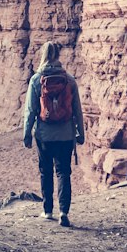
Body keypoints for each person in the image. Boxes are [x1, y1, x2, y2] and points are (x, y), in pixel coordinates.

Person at [22, 41, 85, 227]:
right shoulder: (69, 80)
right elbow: (77, 110)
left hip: (44, 135)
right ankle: (64, 211)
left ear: (43, 54)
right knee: (64, 173)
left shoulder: (36, 80)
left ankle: (48, 211)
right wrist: (81, 133)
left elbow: (30, 110)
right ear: (58, 55)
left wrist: (27, 134)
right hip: (66, 135)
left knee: (45, 171)